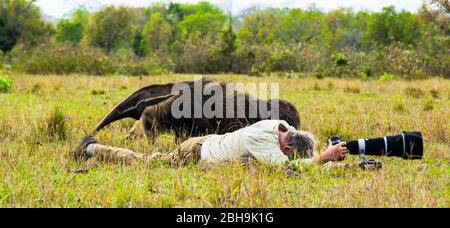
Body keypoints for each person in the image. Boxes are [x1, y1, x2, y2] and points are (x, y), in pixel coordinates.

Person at [71, 120, 349, 170]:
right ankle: (92, 149)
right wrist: (325, 157)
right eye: (289, 157)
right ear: (286, 149)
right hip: (195, 153)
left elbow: (302, 163)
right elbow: (296, 169)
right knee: (146, 161)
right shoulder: (262, 143)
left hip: (213, 144)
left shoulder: (282, 126)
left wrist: (332, 157)